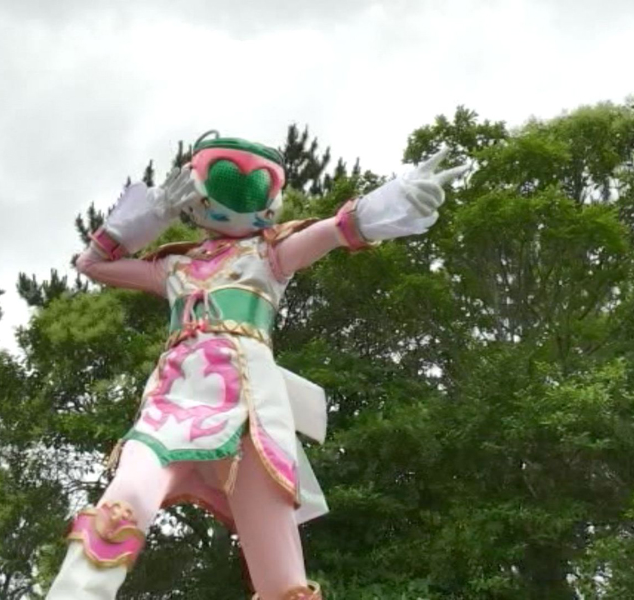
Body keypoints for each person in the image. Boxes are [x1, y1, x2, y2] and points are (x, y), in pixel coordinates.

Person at [47, 131, 469, 600]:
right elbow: (92, 264)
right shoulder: (174, 268)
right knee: (124, 501)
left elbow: (337, 230)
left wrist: (394, 200)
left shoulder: (268, 256)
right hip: (173, 404)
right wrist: (156, 211)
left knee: (282, 578)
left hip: (251, 414)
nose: (243, 189)